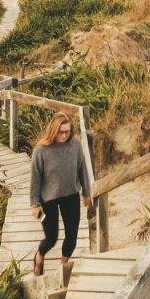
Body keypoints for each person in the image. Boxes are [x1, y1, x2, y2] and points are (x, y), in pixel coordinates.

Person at [30, 112, 91, 275]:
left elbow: (82, 169)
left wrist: (86, 192)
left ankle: (63, 267)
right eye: (61, 132)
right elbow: (35, 178)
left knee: (72, 236)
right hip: (47, 199)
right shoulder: (41, 150)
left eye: (67, 131)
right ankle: (40, 255)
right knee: (51, 238)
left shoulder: (75, 145)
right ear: (53, 130)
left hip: (71, 195)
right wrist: (35, 204)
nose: (64, 135)